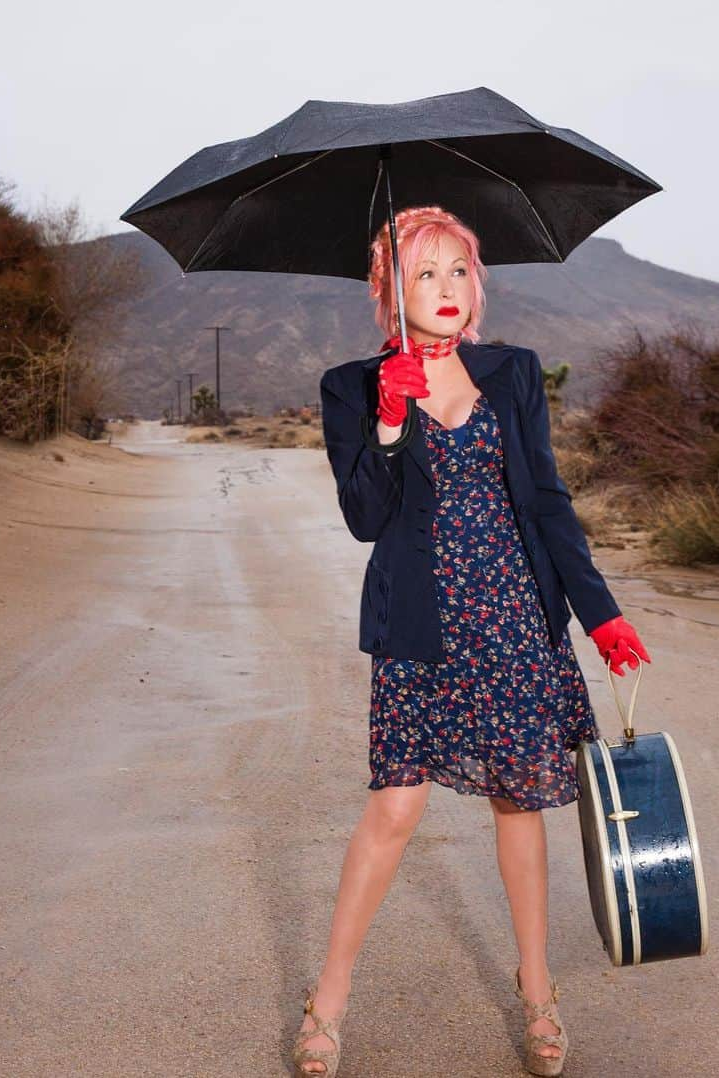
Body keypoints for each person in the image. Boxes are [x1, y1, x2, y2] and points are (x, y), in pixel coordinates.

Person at [292, 205, 651, 1077]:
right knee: (396, 807)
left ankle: (538, 996)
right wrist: (387, 424)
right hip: (421, 626)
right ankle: (328, 1002)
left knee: (519, 807)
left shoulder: (514, 373)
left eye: (460, 270)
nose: (447, 289)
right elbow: (365, 519)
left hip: (515, 619)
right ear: (391, 288)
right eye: (425, 273)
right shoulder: (352, 386)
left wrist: (601, 613)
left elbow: (548, 504)